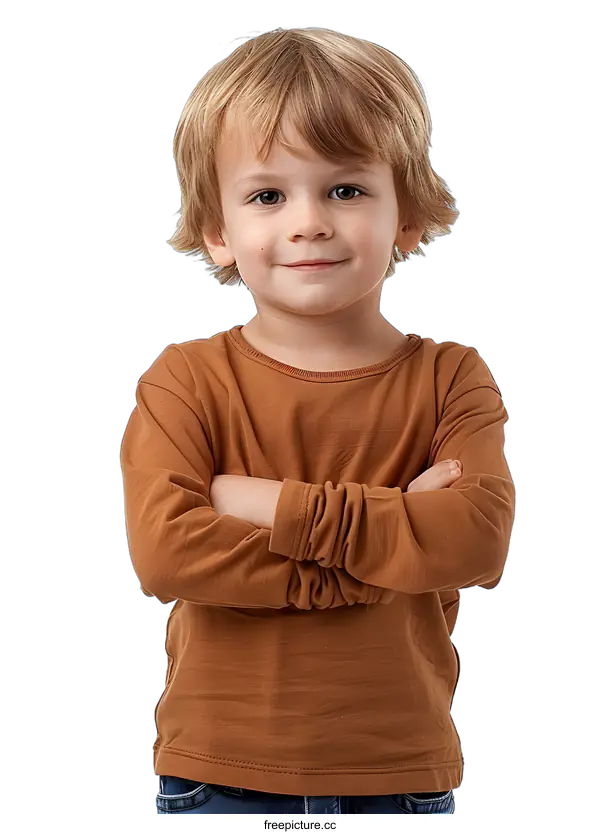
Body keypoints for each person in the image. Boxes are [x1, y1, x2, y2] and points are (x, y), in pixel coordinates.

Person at [120, 26, 515, 815]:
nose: (309, 222)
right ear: (218, 231)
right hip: (213, 777)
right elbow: (166, 556)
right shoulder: (184, 382)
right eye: (268, 195)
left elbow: (474, 541)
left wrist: (257, 502)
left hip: (401, 778)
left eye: (345, 189)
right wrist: (394, 542)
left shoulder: (451, 379)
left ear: (406, 214)